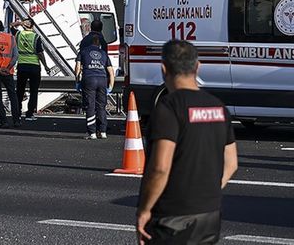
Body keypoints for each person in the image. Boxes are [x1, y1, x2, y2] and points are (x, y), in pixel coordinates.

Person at [136, 40, 238, 245]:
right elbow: (232, 163)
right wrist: (208, 192)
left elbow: (160, 168)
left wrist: (145, 209)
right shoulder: (218, 107)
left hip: (172, 216)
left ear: (164, 69)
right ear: (197, 66)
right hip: (209, 215)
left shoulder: (168, 108)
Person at [75, 34, 114, 139]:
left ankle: (92, 132)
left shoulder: (83, 52)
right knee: (101, 106)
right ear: (99, 44)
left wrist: (77, 81)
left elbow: (78, 67)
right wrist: (110, 86)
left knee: (90, 106)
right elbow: (111, 72)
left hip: (89, 79)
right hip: (102, 80)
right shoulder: (104, 54)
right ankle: (103, 131)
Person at [11, 18, 49, 122]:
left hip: (22, 65)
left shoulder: (18, 34)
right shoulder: (36, 37)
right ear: (32, 27)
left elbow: (11, 26)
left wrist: (19, 23)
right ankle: (29, 114)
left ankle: (17, 113)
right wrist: (46, 66)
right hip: (34, 66)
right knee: (33, 91)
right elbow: (40, 53)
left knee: (19, 90)